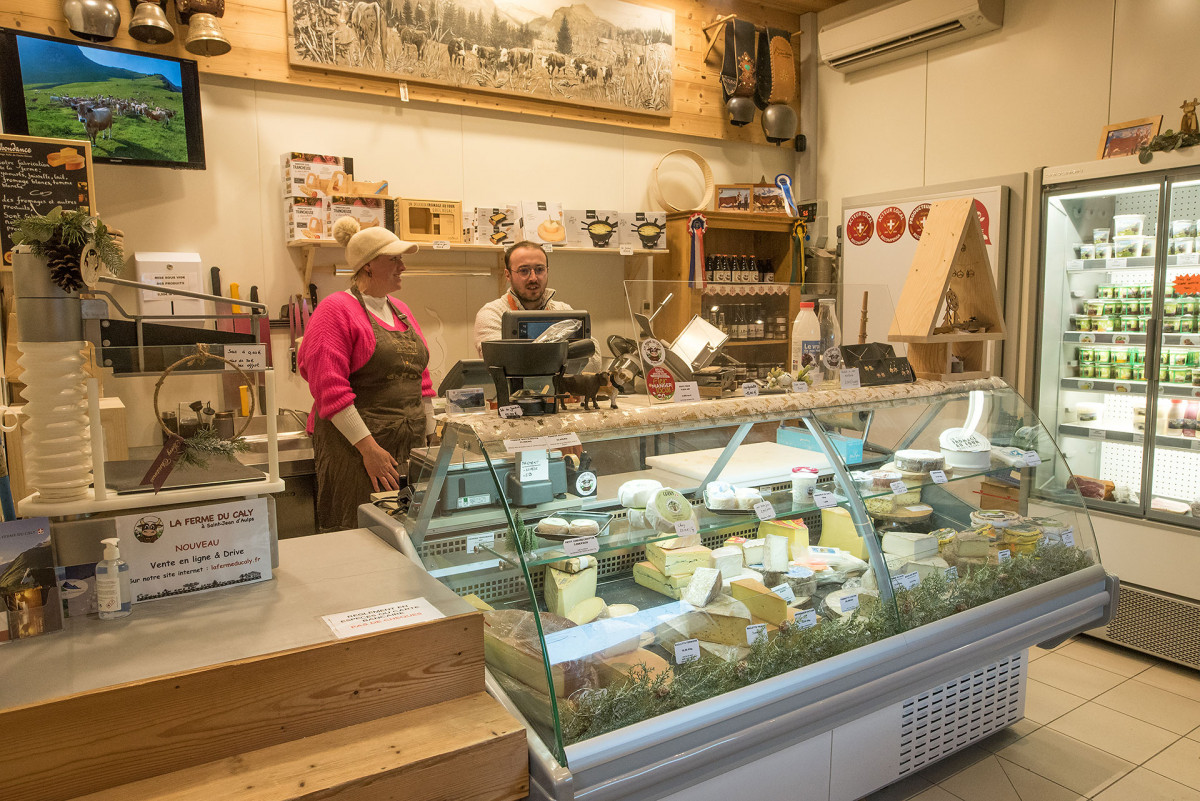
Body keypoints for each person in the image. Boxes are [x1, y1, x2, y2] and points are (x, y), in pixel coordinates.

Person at [298, 217, 435, 531]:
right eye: (394, 259)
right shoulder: (335, 310)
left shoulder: (400, 308)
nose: (403, 266)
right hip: (357, 451)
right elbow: (329, 389)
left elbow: (421, 379)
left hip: (405, 447)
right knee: (360, 534)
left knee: (404, 534)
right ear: (369, 265)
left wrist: (430, 438)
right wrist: (369, 450)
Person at [473, 240, 601, 371]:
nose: (533, 278)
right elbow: (503, 364)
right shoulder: (491, 314)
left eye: (539, 270)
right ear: (508, 274)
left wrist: (529, 354)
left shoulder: (563, 310)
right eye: (524, 271)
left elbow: (593, 363)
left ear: (547, 271)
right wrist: (564, 353)